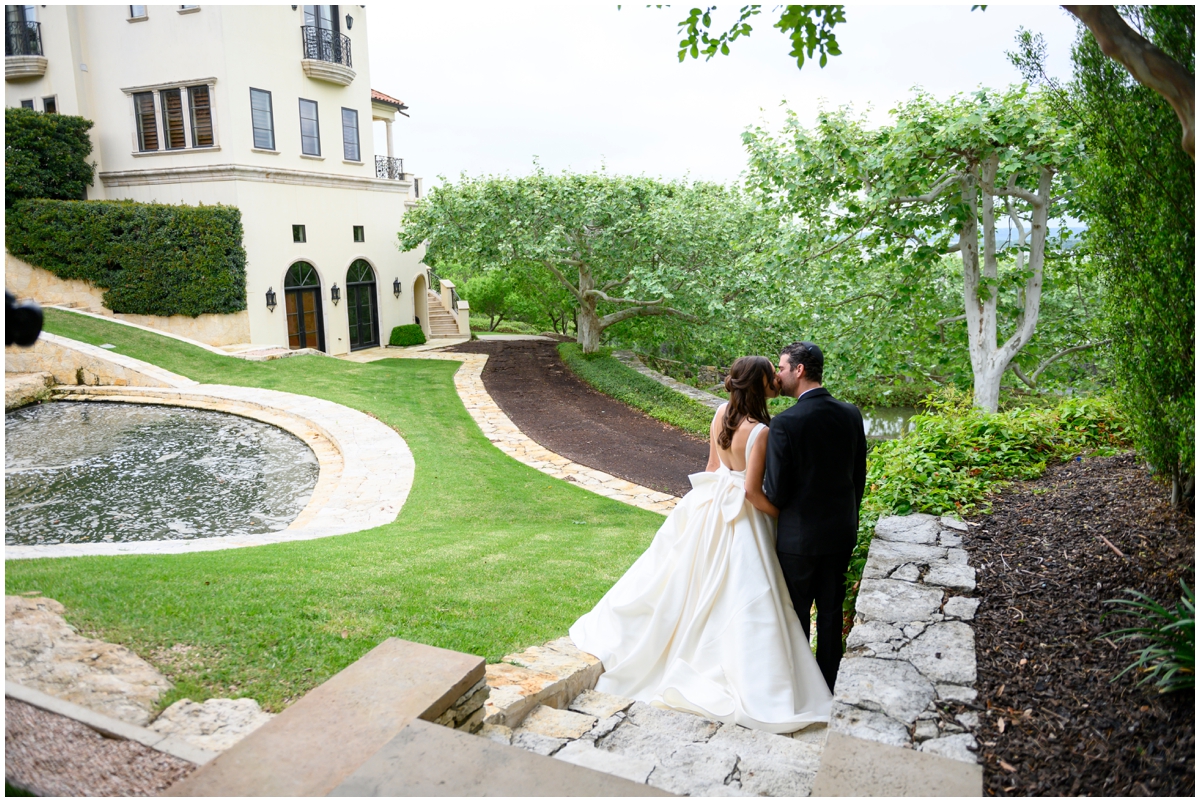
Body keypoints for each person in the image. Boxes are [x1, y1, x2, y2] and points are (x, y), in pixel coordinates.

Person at [570, 356, 832, 733]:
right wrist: (783, 515)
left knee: (686, 580)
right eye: (770, 378)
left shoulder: (719, 414)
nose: (776, 380)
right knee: (741, 589)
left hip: (707, 509)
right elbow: (753, 492)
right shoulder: (761, 431)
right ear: (760, 386)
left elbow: (712, 469)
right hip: (742, 517)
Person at [763, 341, 867, 693]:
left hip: (797, 540)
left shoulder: (785, 423)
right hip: (840, 533)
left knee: (795, 618)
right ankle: (829, 685)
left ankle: (800, 689)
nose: (778, 374)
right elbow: (859, 477)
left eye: (781, 367)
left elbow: (775, 492)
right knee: (830, 613)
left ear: (799, 370)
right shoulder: (851, 413)